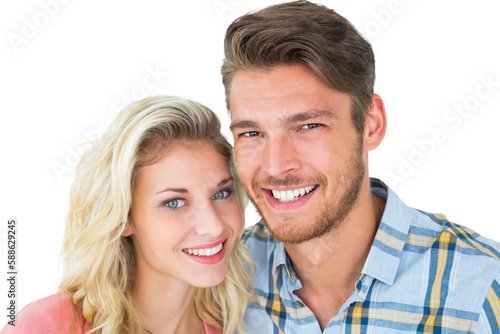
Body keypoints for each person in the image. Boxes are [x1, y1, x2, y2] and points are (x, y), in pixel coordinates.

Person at [221, 1, 500, 333]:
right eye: (252, 133)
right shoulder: (219, 280)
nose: (276, 165)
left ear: (371, 123)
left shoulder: (481, 292)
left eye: (308, 126)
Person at [1, 96, 253, 333]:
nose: (213, 225)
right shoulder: (45, 326)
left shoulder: (247, 322)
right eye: (175, 202)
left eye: (221, 194)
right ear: (124, 217)